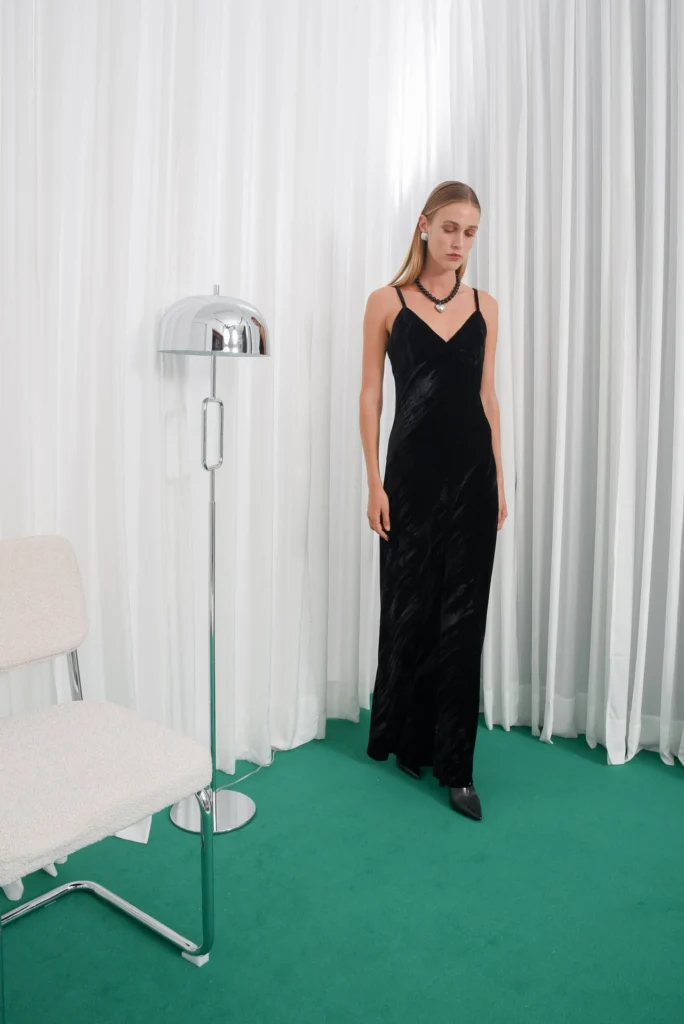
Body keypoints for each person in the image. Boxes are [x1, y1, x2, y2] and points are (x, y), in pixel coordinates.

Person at [359, 181, 507, 821]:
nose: (459, 242)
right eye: (450, 228)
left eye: (470, 232)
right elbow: (370, 394)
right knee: (410, 610)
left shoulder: (485, 305)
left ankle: (458, 768)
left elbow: (487, 396)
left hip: (473, 479)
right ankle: (408, 739)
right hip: (410, 483)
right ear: (424, 225)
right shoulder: (385, 303)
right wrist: (374, 482)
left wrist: (500, 477)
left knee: (464, 621)